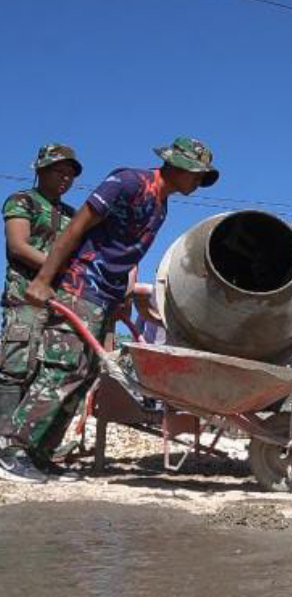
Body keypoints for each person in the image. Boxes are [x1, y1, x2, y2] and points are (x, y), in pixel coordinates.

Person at [0, 137, 219, 484]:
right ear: (178, 166)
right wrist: (44, 279)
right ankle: (14, 450)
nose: (198, 182)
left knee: (83, 374)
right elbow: (77, 227)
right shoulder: (129, 182)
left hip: (104, 296)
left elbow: (127, 256)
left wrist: (122, 299)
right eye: (197, 174)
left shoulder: (161, 206)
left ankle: (40, 454)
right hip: (80, 285)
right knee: (61, 368)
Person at [0, 145, 81, 427]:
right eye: (60, 171)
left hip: (61, 302)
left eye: (71, 174)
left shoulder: (73, 214)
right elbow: (18, 246)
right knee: (18, 365)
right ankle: (4, 438)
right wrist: (61, 269)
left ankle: (31, 443)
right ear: (41, 170)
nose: (66, 179)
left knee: (53, 370)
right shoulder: (23, 201)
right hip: (25, 296)